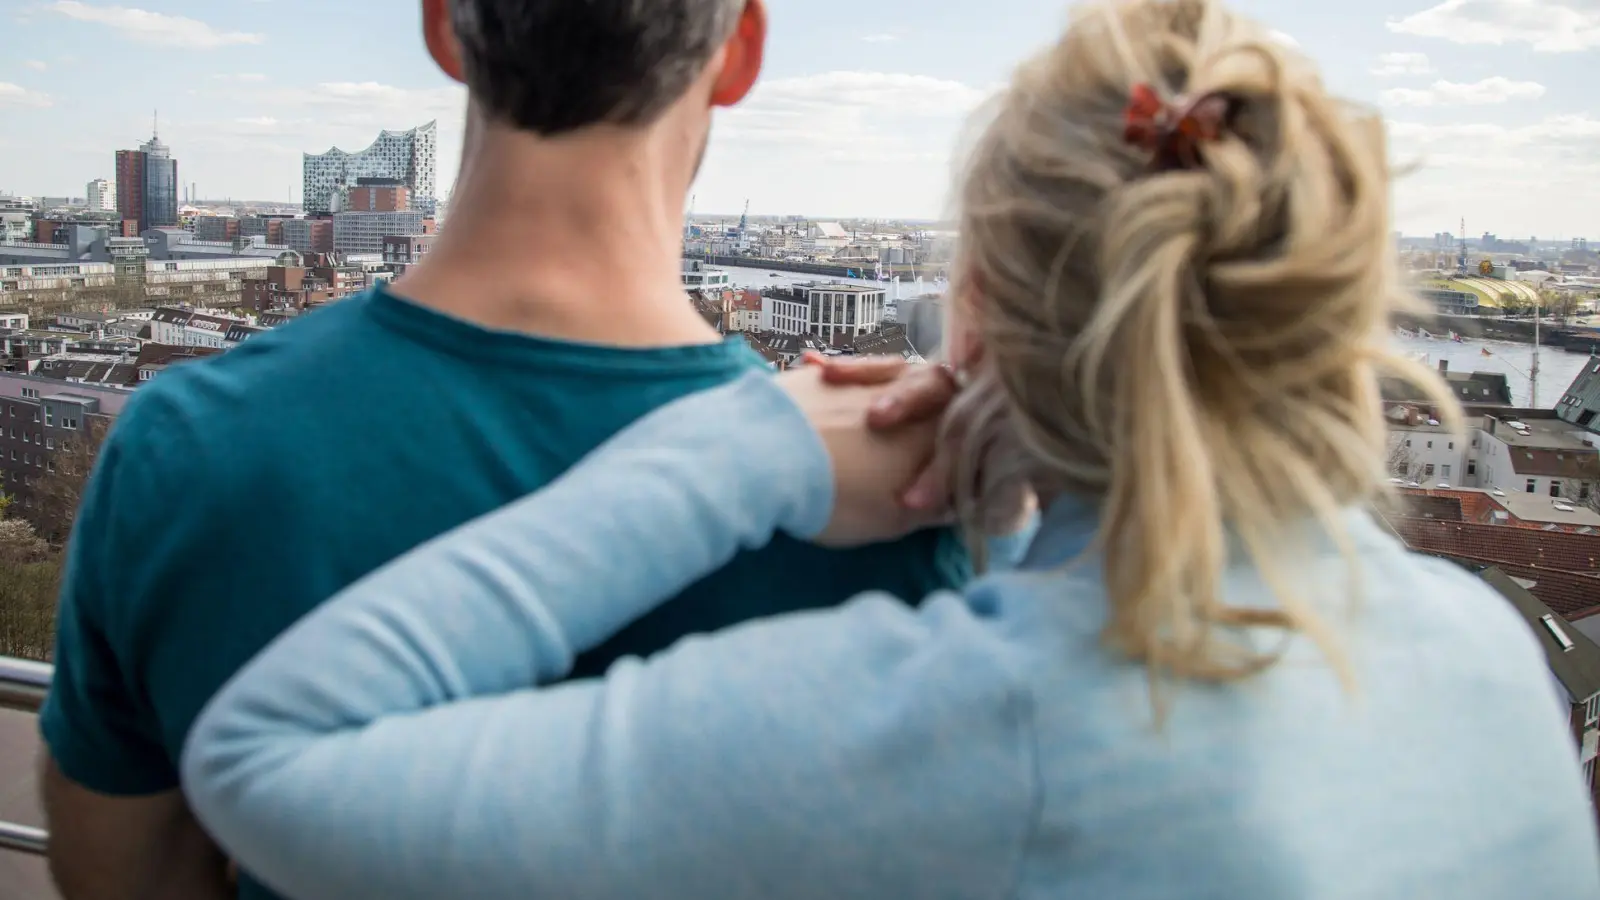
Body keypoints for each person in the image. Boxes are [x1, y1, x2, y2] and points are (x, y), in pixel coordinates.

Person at [182, 1, 1600, 898]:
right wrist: (1002, 522)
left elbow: (263, 757)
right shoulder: (1487, 656)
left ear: (974, 313)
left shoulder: (942, 719)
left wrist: (737, 457)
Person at [36, 2, 972, 898]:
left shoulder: (185, 448)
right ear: (740, 52)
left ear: (444, 25)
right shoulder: (910, 492)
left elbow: (121, 869)